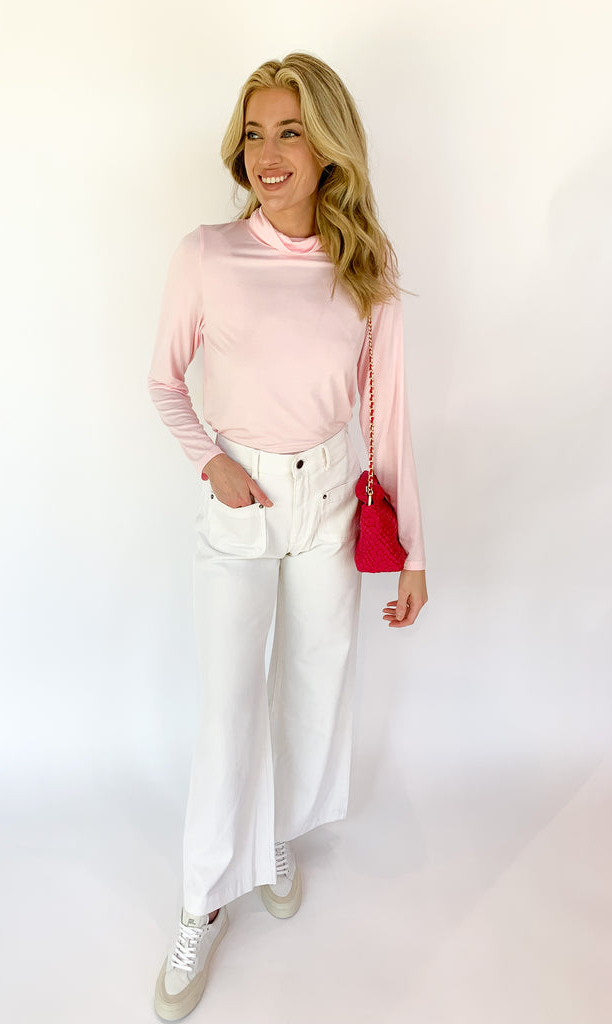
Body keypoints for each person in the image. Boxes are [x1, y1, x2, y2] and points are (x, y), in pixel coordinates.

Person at [147, 51, 428, 1021]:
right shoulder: (207, 255)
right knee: (228, 707)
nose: (268, 155)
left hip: (329, 501)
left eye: (291, 132)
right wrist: (209, 460)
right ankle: (198, 903)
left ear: (329, 147)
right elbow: (162, 379)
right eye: (255, 134)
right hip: (241, 496)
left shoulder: (364, 265)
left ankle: (274, 836)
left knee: (312, 688)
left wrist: (415, 550)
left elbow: (389, 415)